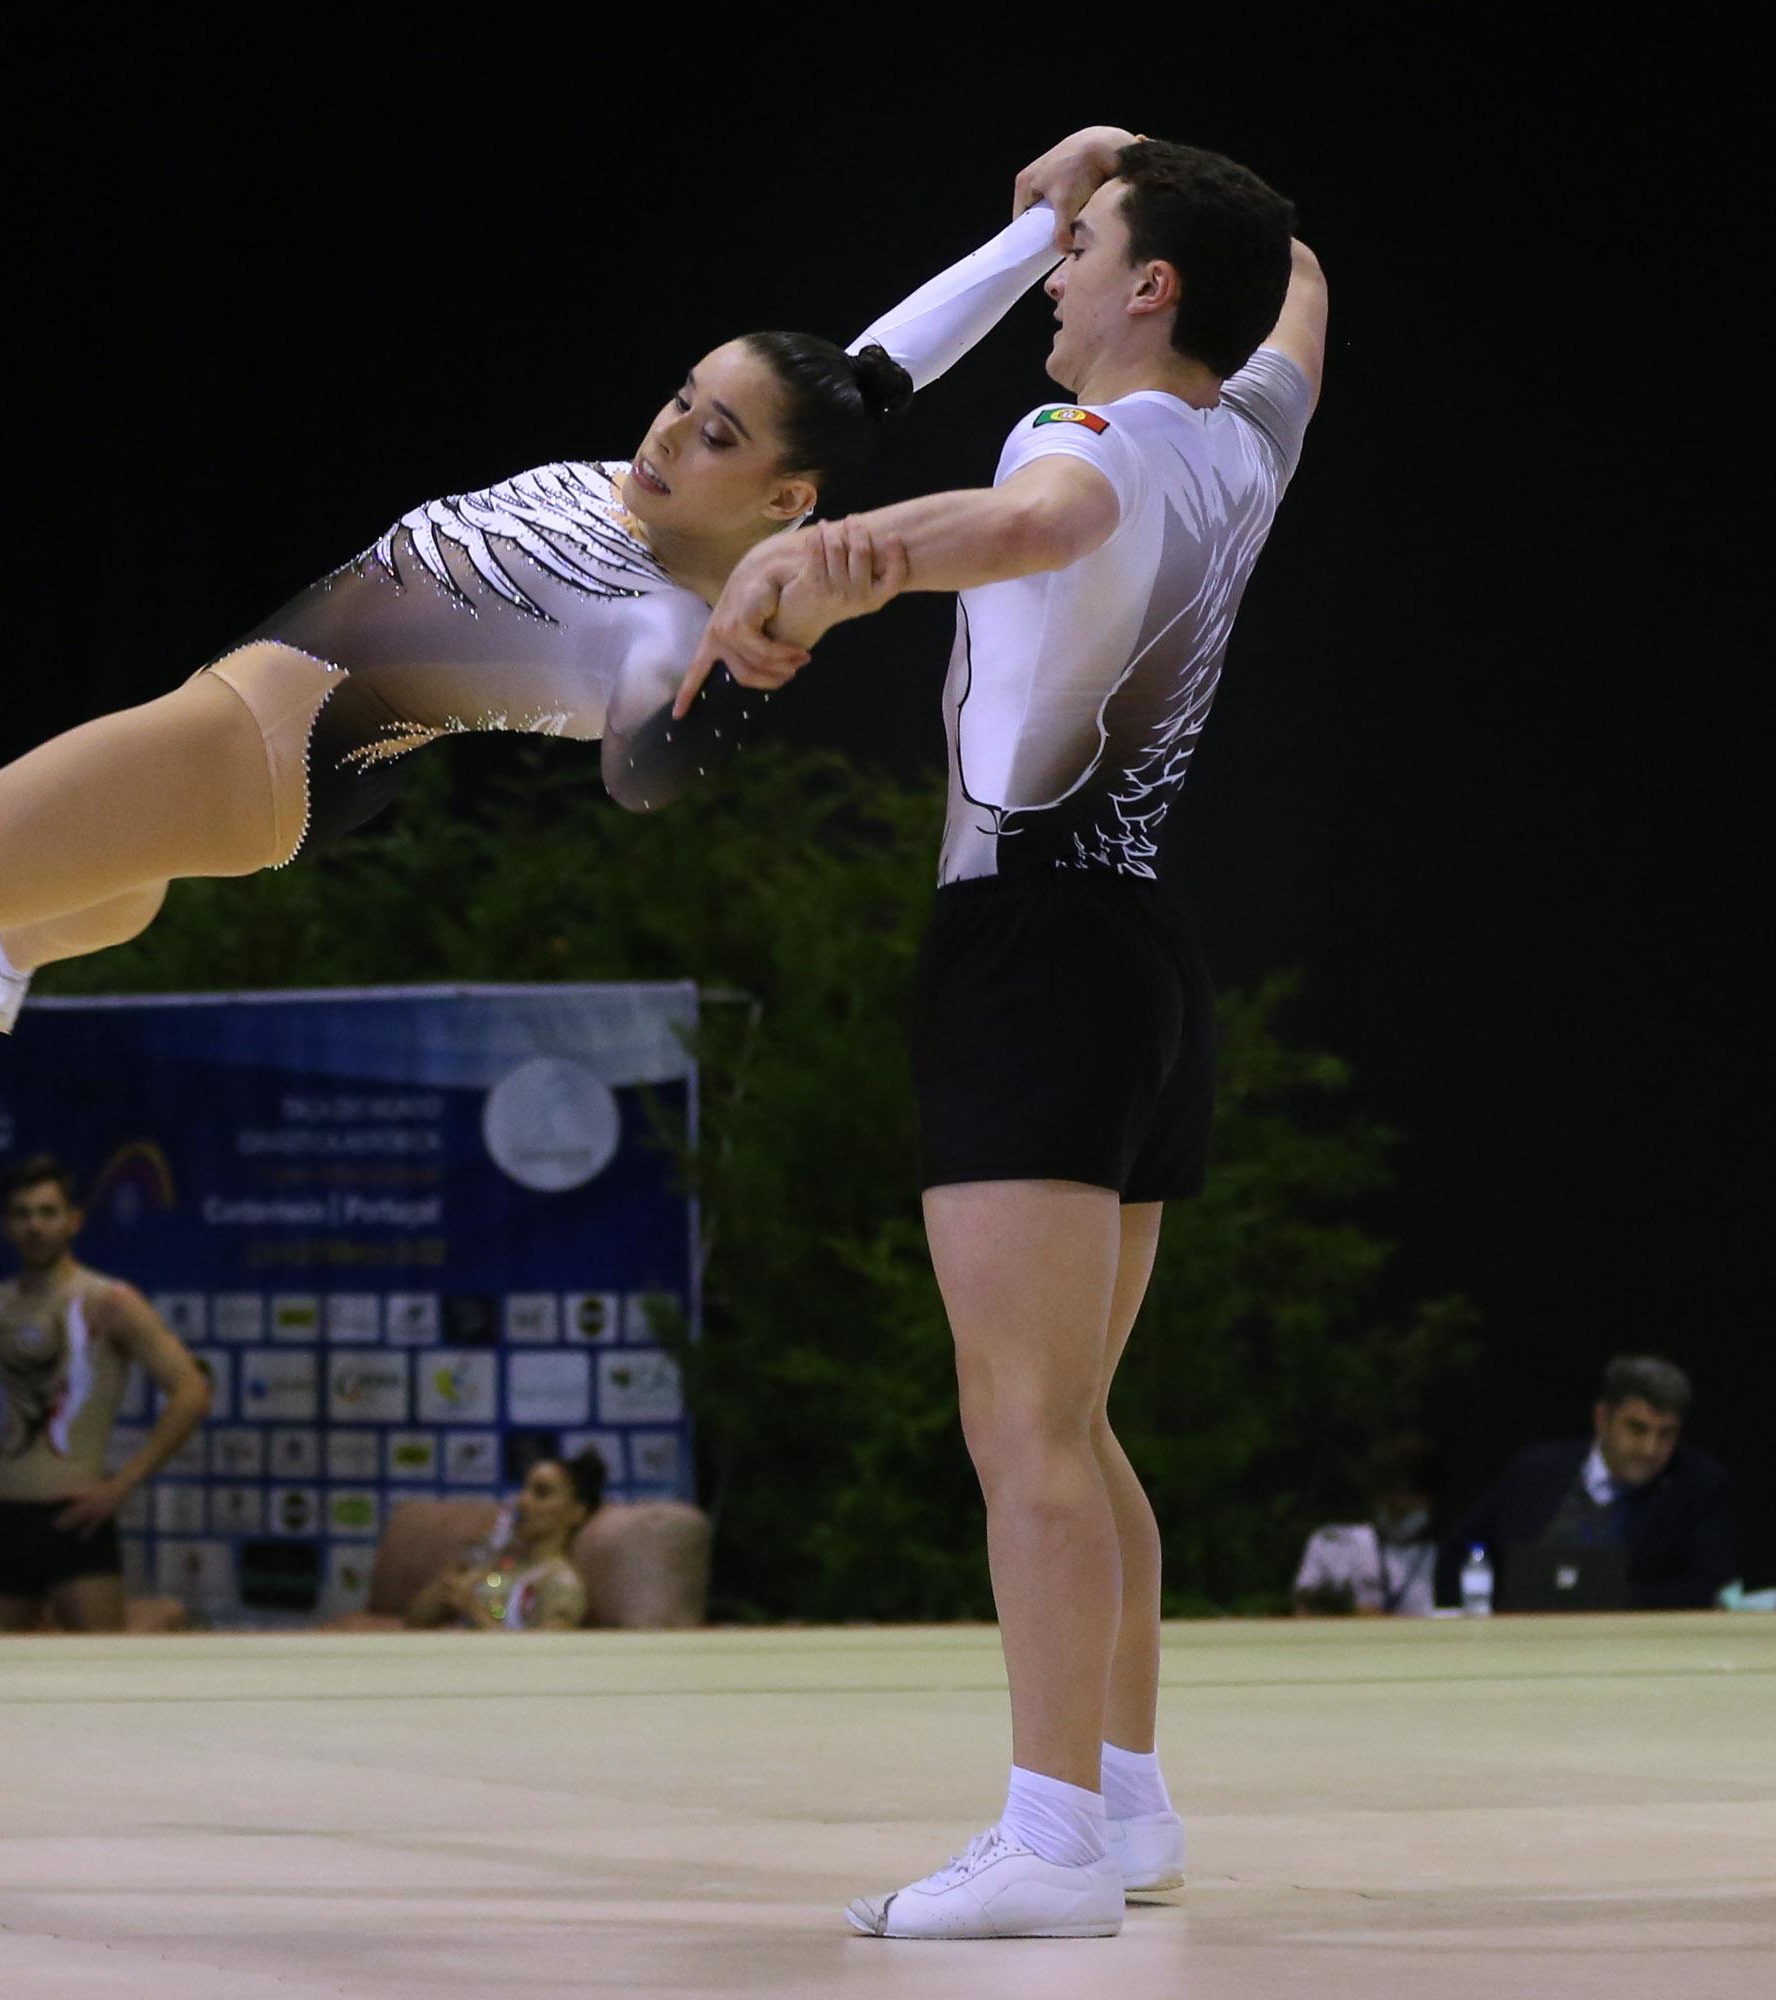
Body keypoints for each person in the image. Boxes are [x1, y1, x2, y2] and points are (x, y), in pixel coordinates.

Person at [0, 179, 1107, 1229]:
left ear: (784, 505)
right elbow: (878, 367)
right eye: (679, 398)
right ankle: (25, 955)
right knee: (70, 895)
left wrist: (736, 667)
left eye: (718, 437)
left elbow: (650, 769)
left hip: (261, 736)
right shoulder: (695, 493)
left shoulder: (669, 613)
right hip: (278, 772)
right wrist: (1045, 228)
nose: (672, 432)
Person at [691, 125, 1326, 1939]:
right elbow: (1304, 289)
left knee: (1024, 1430)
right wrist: (1147, 159)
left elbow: (1040, 524)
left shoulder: (1091, 436)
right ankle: (1122, 1807)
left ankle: (1048, 1843)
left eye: (1081, 243)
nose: (1046, 272)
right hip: (1140, 957)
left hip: (1031, 951)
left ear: (1152, 292)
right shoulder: (1251, 435)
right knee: (1080, 1424)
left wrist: (840, 562)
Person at [0, 1157, 211, 1632]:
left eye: (47, 1212)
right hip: (2, 1518)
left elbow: (191, 1390)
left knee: (101, 1683)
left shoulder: (109, 1303)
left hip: (76, 1517)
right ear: (5, 1224)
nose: (34, 1226)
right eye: (22, 1214)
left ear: (73, 1220)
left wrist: (122, 1484)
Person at [1450, 1355, 1736, 1611]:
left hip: (1636, 1647)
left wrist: (1620, 1601)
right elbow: (1463, 1547)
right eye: (1637, 1429)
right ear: (1602, 1419)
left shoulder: (1697, 1483)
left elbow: (1710, 1585)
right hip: (1522, 1637)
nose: (1650, 1448)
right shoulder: (1537, 1470)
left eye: (1666, 1434)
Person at [406, 1450, 606, 1632]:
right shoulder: (501, 1569)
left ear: (576, 1512)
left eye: (541, 1493)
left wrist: (474, 1611)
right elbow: (416, 1621)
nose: (523, 1501)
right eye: (524, 1489)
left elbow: (542, 1657)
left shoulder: (562, 1583)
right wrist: (458, 1573)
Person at [1293, 1436, 1442, 1617]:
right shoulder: (1337, 1543)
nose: (1400, 1503)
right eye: (1390, 1498)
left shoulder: (1444, 1555)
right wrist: (1348, 1610)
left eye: (1410, 1496)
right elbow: (1304, 1603)